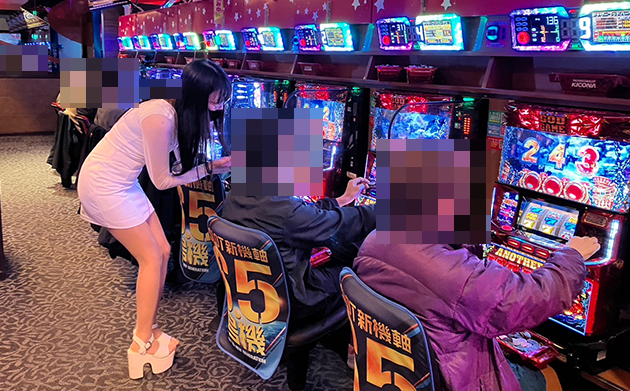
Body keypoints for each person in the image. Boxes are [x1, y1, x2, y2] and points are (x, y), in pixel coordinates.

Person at [77, 60, 232, 379]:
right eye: (216, 100)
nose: (219, 107)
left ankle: (151, 328)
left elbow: (178, 165)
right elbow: (162, 181)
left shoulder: (176, 114)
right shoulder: (160, 117)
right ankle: (140, 343)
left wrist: (216, 163)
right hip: (105, 185)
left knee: (162, 250)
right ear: (196, 95)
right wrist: (211, 168)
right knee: (150, 258)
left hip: (124, 182)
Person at [353, 234, 600, 391]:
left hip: (402, 370)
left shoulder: (375, 240)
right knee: (551, 375)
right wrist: (572, 256)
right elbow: (525, 299)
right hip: (454, 378)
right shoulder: (445, 270)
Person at [221, 179, 376, 324]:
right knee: (357, 271)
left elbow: (303, 214)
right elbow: (340, 227)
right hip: (293, 302)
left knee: (337, 254)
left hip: (252, 294)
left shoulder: (237, 193)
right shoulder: (285, 211)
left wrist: (342, 200)